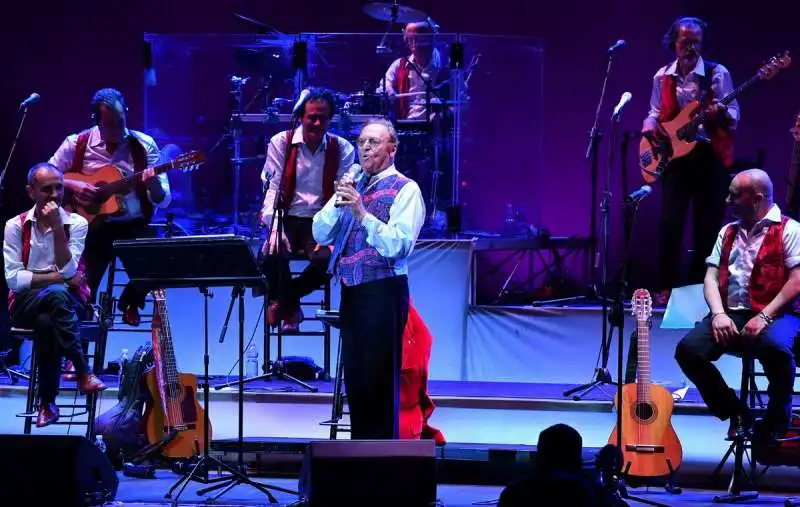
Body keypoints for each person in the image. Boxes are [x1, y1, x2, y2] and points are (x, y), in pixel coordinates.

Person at [312, 118, 425, 439]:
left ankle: (382, 458)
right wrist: (339, 201)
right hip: (353, 292)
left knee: (378, 381)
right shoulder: (355, 186)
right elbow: (320, 232)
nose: (365, 147)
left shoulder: (406, 189)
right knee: (358, 382)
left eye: (374, 142)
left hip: (383, 291)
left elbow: (398, 246)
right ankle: (360, 453)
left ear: (392, 148)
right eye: (361, 141)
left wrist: (362, 213)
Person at [675, 169, 800, 442]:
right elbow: (709, 276)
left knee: (776, 347)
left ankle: (776, 420)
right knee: (688, 351)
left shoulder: (790, 230)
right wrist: (719, 314)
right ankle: (737, 411)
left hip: (779, 315)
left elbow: (797, 280)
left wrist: (765, 317)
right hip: (732, 314)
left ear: (757, 199)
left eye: (734, 195)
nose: (727, 201)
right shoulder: (727, 232)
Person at [49, 88, 171, 326]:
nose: (117, 128)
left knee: (161, 264)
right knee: (80, 286)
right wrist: (75, 185)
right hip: (89, 228)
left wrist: (153, 183)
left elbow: (162, 199)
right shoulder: (77, 143)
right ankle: (77, 353)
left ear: (126, 113)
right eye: (109, 123)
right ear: (96, 121)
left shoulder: (144, 145)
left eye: (120, 121)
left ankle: (128, 302)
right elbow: (45, 175)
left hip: (132, 226)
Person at [642, 17, 739, 304]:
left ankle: (700, 290)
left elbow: (733, 112)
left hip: (709, 156)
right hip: (675, 156)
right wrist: (649, 123)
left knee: (707, 226)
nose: (691, 47)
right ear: (674, 42)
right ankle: (666, 287)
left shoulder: (717, 73)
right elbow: (654, 110)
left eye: (696, 42)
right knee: (670, 222)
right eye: (686, 41)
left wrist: (719, 113)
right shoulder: (662, 76)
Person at [3, 163, 107, 428]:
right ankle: (83, 371)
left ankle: (47, 403)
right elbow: (15, 278)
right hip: (26, 300)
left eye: (59, 187)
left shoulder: (76, 223)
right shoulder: (15, 226)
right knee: (57, 291)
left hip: (69, 301)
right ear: (31, 191)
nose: (54, 194)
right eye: (46, 189)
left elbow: (70, 268)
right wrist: (55, 277)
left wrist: (58, 230)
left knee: (48, 320)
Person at [259, 87, 355, 332]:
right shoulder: (282, 142)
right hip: (287, 217)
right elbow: (273, 188)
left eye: (322, 117)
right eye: (311, 116)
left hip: (321, 221)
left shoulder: (343, 148)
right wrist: (273, 229)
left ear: (330, 118)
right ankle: (291, 310)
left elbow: (342, 198)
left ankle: (283, 304)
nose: (316, 122)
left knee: (331, 260)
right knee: (270, 255)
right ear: (301, 116)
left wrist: (334, 236)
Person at [379, 21, 445, 121]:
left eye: (424, 41)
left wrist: (445, 110)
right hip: (406, 122)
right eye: (412, 40)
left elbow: (461, 102)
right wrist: (389, 90)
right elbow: (384, 84)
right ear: (409, 44)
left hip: (435, 125)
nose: (419, 45)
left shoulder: (444, 66)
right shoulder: (399, 64)